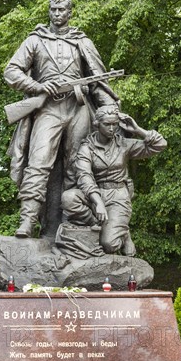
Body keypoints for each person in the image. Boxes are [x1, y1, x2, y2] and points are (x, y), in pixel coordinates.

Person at [4, 0, 118, 237]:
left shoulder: (82, 41)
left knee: (78, 166)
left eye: (61, 10)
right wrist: (37, 86)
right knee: (38, 162)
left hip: (78, 108)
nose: (57, 14)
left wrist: (111, 110)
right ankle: (27, 221)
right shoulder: (34, 40)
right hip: (48, 109)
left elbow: (98, 82)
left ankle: (71, 223)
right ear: (49, 12)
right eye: (53, 10)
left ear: (70, 13)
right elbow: (11, 71)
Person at [61, 104, 167, 256]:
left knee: (110, 245)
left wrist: (137, 130)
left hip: (118, 196)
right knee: (68, 198)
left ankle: (123, 233)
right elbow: (84, 176)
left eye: (114, 124)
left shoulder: (123, 144)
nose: (112, 128)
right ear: (97, 124)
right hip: (95, 194)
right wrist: (97, 202)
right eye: (107, 124)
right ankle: (99, 225)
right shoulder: (87, 147)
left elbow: (160, 145)